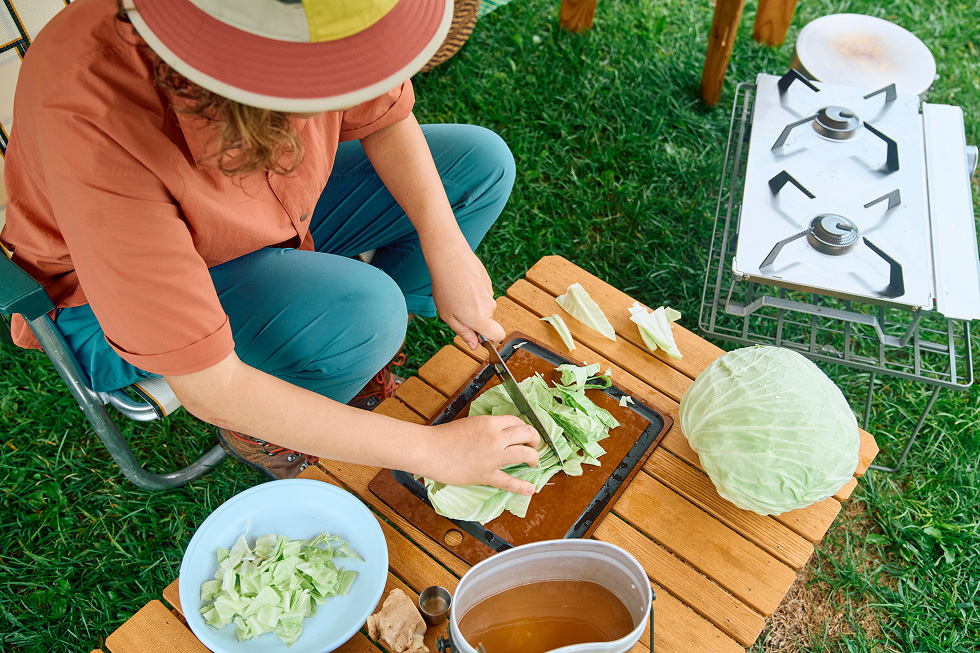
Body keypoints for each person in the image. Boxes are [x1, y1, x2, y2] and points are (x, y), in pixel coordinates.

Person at [1, 0, 541, 495]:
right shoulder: (92, 114)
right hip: (101, 301)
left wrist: (445, 244)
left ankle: (344, 355)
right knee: (368, 311)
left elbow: (385, 116)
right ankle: (269, 427)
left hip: (262, 213)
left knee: (479, 164)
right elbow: (208, 386)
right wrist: (430, 451)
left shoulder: (307, 18)